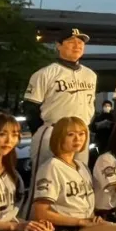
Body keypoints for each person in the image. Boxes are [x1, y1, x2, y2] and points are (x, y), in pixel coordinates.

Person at [24, 28, 98, 182]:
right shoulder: (45, 73)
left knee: (79, 178)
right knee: (45, 178)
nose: (77, 45)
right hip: (53, 129)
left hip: (82, 132)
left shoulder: (90, 75)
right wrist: (41, 131)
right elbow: (30, 107)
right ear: (58, 45)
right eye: (71, 41)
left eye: (80, 42)